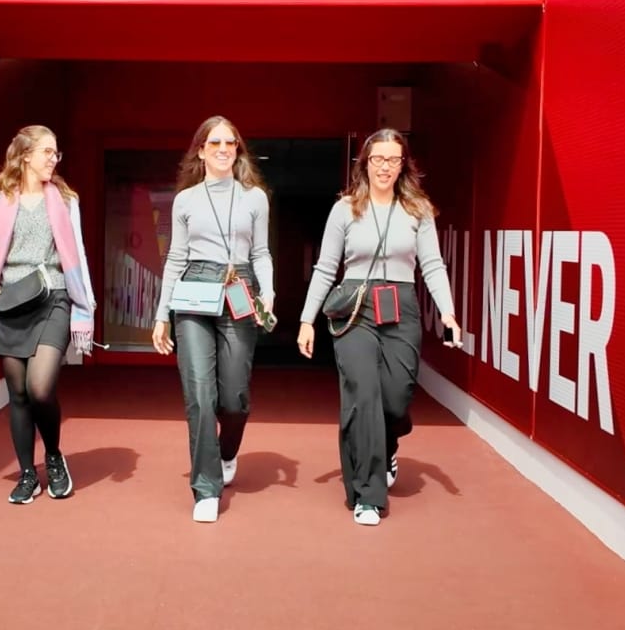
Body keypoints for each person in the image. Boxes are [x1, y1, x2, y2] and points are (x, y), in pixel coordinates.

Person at [296, 128, 461, 527]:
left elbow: (433, 266)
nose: (384, 167)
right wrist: (306, 319)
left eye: (393, 159)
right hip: (355, 307)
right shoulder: (346, 209)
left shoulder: (418, 209)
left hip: (401, 306)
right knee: (363, 395)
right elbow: (325, 267)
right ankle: (368, 494)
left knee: (395, 400)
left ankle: (385, 447)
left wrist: (448, 313)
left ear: (404, 164)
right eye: (377, 159)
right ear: (365, 163)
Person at [0, 125, 96, 505]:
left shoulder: (65, 200)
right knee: (17, 394)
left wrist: (86, 304)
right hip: (10, 302)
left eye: (56, 153)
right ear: (26, 155)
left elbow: (75, 252)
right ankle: (27, 474)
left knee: (40, 387)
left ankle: (53, 456)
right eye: (47, 152)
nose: (53, 159)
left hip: (55, 298)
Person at [151, 115, 275, 523]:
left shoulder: (255, 197)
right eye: (214, 143)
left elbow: (261, 253)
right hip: (194, 289)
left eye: (230, 143)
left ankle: (226, 451)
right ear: (201, 150)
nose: (223, 150)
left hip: (240, 287)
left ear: (237, 150)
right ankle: (206, 488)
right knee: (200, 395)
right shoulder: (185, 200)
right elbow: (175, 258)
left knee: (234, 398)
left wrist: (268, 294)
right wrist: (162, 314)